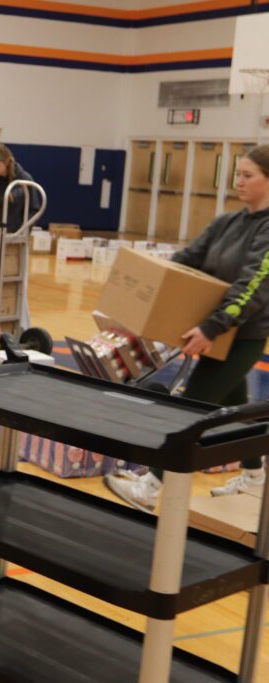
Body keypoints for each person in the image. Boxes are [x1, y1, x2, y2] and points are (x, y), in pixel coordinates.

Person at [105, 144, 269, 511]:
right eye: (237, 174)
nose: (238, 181)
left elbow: (254, 288)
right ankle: (256, 477)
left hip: (241, 337)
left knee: (191, 407)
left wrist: (211, 328)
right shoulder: (227, 223)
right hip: (217, 336)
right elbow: (185, 261)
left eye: (248, 175)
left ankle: (150, 486)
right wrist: (150, 297)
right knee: (235, 406)